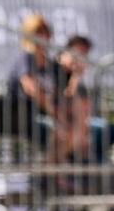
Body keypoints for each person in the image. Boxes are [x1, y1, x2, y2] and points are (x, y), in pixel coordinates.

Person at [6, 13, 71, 162]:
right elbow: (32, 89)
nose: (43, 37)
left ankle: (54, 174)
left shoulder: (51, 64)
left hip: (44, 116)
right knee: (62, 133)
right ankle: (48, 176)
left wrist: (75, 74)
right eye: (38, 32)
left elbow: (61, 94)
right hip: (24, 118)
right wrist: (56, 114)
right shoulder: (26, 58)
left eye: (46, 32)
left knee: (79, 131)